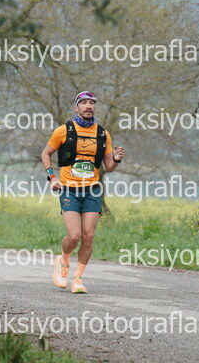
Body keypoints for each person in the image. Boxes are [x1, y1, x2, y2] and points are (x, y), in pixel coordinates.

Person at [41, 91, 125, 293]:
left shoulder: (102, 134)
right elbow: (46, 154)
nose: (88, 106)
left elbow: (109, 166)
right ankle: (63, 261)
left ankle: (77, 279)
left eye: (92, 103)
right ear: (76, 107)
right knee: (74, 236)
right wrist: (52, 177)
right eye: (84, 103)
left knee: (88, 235)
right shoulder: (63, 130)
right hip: (69, 189)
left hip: (92, 190)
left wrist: (116, 159)